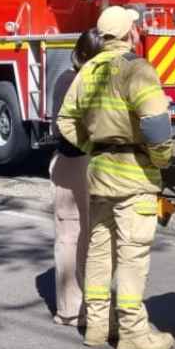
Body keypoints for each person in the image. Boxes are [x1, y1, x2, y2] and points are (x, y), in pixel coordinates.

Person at [55, 6, 175, 349]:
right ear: (130, 34)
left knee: (99, 253)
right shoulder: (137, 69)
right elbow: (155, 123)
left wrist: (92, 145)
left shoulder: (88, 71)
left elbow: (65, 122)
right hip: (134, 176)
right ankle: (133, 333)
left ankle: (96, 326)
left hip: (99, 175)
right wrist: (161, 159)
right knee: (132, 256)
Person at [47, 28, 102, 327]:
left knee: (70, 234)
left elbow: (60, 130)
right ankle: (88, 307)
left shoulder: (66, 80)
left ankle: (70, 308)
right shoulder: (86, 82)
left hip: (70, 162)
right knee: (87, 236)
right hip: (86, 163)